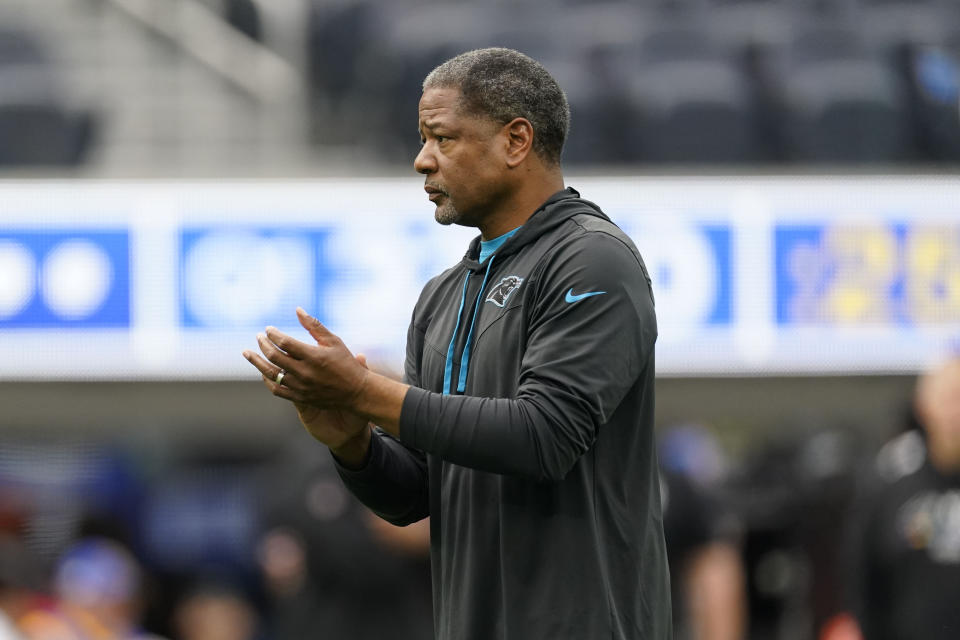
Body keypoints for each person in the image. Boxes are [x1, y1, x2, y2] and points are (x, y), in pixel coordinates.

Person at [243, 47, 670, 639]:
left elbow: (543, 438)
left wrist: (366, 391)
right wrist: (352, 441)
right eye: (423, 140)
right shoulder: (442, 297)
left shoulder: (591, 258)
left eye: (441, 138)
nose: (422, 161)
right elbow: (418, 493)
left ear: (516, 141)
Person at [840, 357, 960, 640]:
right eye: (948, 398)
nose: (956, 412)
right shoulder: (890, 483)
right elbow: (862, 577)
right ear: (923, 406)